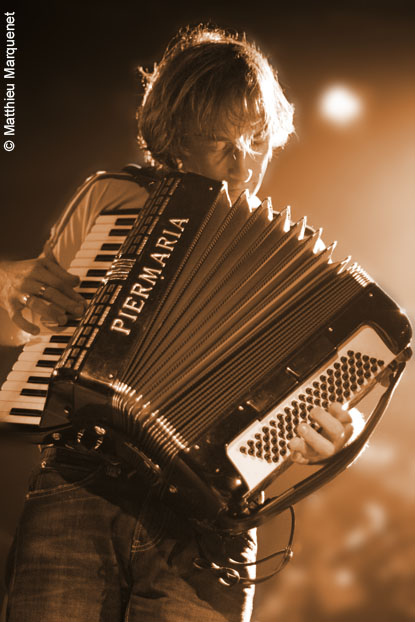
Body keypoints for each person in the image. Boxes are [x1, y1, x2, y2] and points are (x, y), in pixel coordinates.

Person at [0, 25, 353, 622]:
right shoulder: (112, 198)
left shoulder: (294, 262)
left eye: (258, 139)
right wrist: (7, 282)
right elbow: (26, 325)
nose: (243, 163)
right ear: (174, 136)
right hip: (81, 485)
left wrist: (338, 430)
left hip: (209, 524)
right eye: (219, 141)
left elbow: (334, 384)